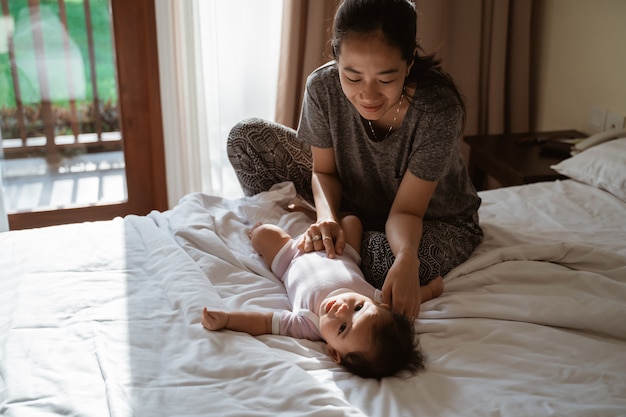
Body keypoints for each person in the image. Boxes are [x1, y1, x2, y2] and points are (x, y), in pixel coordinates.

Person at [227, 0, 482, 320]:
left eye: (386, 79)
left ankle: (342, 237)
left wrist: (406, 258)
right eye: (352, 76)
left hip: (430, 218)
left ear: (409, 62)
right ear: (336, 59)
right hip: (352, 194)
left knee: (382, 265)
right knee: (245, 140)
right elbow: (323, 170)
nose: (369, 95)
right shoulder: (322, 87)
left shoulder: (437, 111)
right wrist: (327, 216)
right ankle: (332, 226)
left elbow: (406, 211)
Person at [202, 215, 443, 379]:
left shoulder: (307, 324)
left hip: (294, 257)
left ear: (333, 353)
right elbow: (404, 300)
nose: (341, 310)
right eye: (358, 308)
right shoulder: (375, 297)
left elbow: (264, 321)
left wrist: (227, 319)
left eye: (342, 328)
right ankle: (318, 216)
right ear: (378, 304)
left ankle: (258, 231)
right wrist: (431, 291)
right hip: (341, 250)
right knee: (352, 221)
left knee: (263, 235)